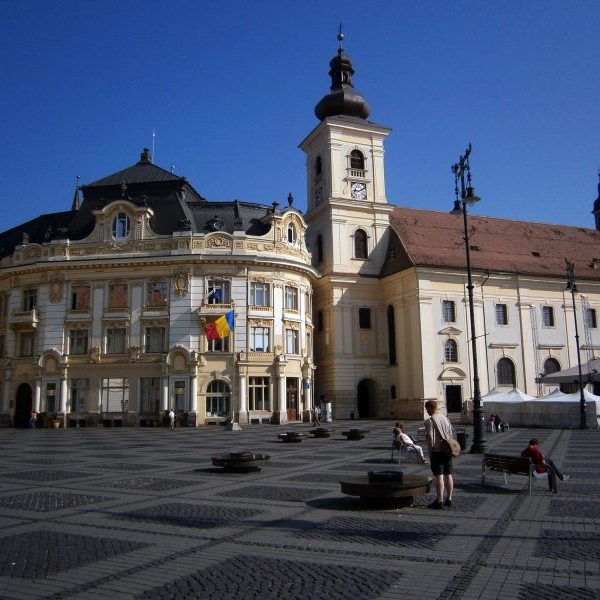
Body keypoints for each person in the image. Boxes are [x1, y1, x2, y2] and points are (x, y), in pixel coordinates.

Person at [424, 400, 454, 509]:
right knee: (448, 475)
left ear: (430, 408)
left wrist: (430, 451)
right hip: (447, 450)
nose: (426, 411)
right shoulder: (445, 418)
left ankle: (439, 500)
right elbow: (451, 434)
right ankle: (449, 499)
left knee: (439, 477)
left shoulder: (430, 421)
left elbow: (430, 440)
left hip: (437, 451)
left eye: (427, 409)